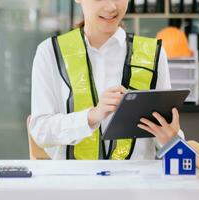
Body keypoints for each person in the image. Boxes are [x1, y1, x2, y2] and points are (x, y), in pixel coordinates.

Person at [30, 0, 184, 160]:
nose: (111, 7)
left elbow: (169, 139)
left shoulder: (153, 54)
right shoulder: (50, 52)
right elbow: (41, 131)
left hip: (136, 181)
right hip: (74, 181)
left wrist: (170, 139)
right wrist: (92, 116)